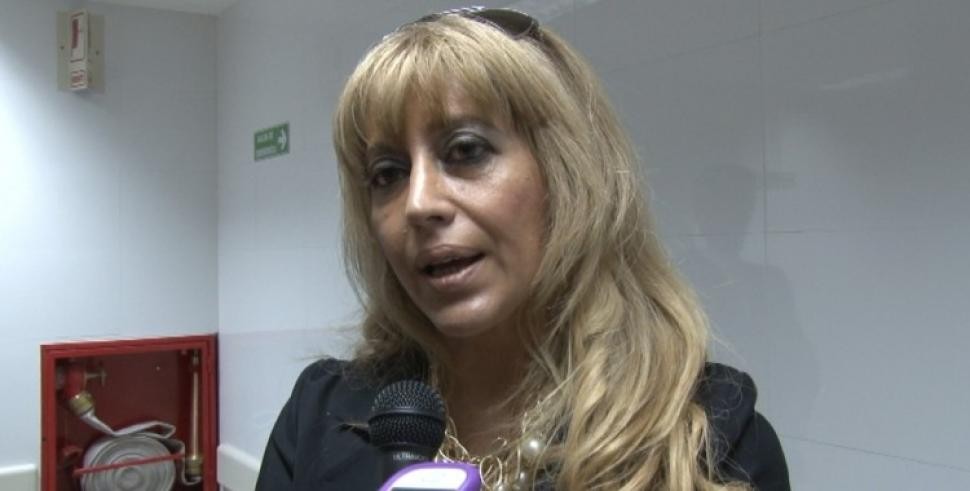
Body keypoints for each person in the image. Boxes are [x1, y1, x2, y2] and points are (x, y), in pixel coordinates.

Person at [256, 7, 789, 490]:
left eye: (465, 150)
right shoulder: (320, 416)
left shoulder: (708, 439)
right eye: (387, 173)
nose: (417, 204)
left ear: (565, 173)